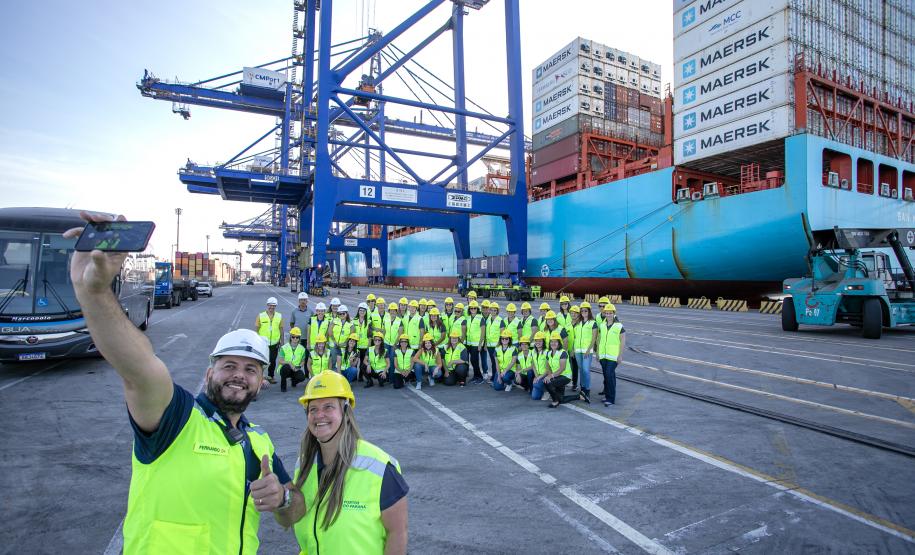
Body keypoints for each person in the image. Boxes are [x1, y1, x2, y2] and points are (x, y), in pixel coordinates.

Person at [64, 212, 290, 553]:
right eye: (229, 365)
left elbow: (292, 515)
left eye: (251, 370)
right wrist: (94, 293)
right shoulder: (176, 418)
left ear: (261, 383)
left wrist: (284, 497)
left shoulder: (260, 443)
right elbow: (138, 367)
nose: (239, 376)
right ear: (209, 372)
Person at [277, 372, 408, 553]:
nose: (319, 415)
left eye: (328, 407)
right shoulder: (305, 464)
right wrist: (280, 500)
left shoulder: (378, 468)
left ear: (346, 411)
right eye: (312, 409)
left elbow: (397, 533)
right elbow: (293, 519)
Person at [598, 303, 625, 406]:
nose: (608, 314)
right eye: (606, 313)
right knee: (607, 376)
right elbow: (600, 339)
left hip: (613, 356)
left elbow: (622, 341)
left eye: (610, 313)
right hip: (603, 356)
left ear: (614, 313)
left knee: (609, 375)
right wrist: (598, 354)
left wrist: (620, 355)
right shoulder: (602, 325)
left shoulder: (619, 326)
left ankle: (611, 399)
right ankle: (608, 396)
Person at [573, 301, 598, 404]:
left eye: (585, 310)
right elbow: (575, 337)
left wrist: (588, 350)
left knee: (586, 370)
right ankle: (582, 388)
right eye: (582, 310)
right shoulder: (577, 323)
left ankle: (587, 390)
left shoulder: (593, 323)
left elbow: (594, 338)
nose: (584, 312)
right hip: (578, 350)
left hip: (587, 351)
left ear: (589, 311)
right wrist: (574, 350)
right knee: (581, 370)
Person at [255, 296, 284, 383]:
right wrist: (256, 341)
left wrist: (282, 342)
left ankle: (271, 376)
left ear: (276, 306)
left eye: (273, 305)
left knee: (272, 360)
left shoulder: (279, 316)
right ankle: (260, 377)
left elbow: (281, 329)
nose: (271, 307)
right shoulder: (260, 316)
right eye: (270, 305)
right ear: (267, 305)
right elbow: (256, 329)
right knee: (261, 361)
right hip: (263, 343)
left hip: (274, 343)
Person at [543, 331, 574, 408]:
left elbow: (562, 368)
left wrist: (551, 376)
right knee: (561, 400)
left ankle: (555, 401)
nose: (553, 343)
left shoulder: (563, 353)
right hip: (557, 376)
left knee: (548, 382)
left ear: (559, 343)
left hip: (565, 376)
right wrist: (550, 375)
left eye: (555, 342)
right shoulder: (548, 353)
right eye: (551, 342)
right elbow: (548, 367)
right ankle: (579, 396)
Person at [278, 327, 308, 392]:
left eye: (297, 337)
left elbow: (303, 361)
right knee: (285, 367)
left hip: (295, 369)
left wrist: (299, 366)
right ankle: (283, 386)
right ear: (290, 337)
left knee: (302, 377)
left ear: (299, 338)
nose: (295, 339)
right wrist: (289, 363)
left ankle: (294, 381)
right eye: (293, 337)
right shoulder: (284, 347)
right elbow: (280, 361)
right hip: (286, 369)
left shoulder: (302, 349)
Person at [464, 300, 487, 384]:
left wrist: (481, 344)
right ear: (469, 309)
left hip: (476, 344)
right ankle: (475, 376)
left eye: (475, 308)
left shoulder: (480, 318)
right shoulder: (468, 318)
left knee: (474, 360)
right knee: (472, 361)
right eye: (471, 308)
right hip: (469, 343)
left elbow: (483, 332)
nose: (473, 309)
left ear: (477, 309)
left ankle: (479, 377)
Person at [484, 302, 504, 385]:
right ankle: (494, 377)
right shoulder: (488, 319)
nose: (493, 311)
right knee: (493, 362)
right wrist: (485, 343)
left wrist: (499, 345)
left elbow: (502, 334)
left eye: (495, 310)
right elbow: (486, 333)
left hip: (497, 345)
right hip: (489, 345)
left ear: (497, 311)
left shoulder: (500, 320)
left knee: (497, 363)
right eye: (491, 310)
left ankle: (496, 379)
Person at [353, 303, 373, 380]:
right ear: (358, 311)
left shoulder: (369, 322)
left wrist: (368, 347)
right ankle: (354, 377)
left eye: (363, 311)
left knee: (362, 362)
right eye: (360, 310)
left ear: (366, 312)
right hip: (356, 345)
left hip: (365, 346)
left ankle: (361, 376)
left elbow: (370, 336)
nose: (362, 312)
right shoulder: (354, 321)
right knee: (355, 361)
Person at [331, 304, 353, 373]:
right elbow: (330, 332)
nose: (341, 315)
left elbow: (351, 335)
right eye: (340, 314)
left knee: (341, 362)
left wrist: (345, 343)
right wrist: (334, 341)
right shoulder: (334, 321)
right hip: (334, 345)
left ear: (347, 313)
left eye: (343, 313)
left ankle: (341, 376)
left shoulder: (351, 323)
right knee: (333, 362)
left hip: (344, 346)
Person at [528, 331, 549, 401]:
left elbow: (548, 369)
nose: (538, 342)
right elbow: (533, 365)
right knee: (535, 397)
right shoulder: (533, 351)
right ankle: (541, 389)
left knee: (536, 384)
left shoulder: (547, 352)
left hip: (546, 375)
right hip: (539, 375)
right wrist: (536, 377)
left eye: (540, 341)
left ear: (543, 342)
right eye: (536, 341)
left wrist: (539, 377)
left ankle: (547, 391)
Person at [383, 302, 404, 370]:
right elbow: (384, 331)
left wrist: (395, 344)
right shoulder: (385, 319)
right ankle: (385, 375)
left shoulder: (399, 321)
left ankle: (391, 378)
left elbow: (400, 334)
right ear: (389, 311)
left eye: (394, 310)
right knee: (385, 359)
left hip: (394, 344)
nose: (392, 312)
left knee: (392, 360)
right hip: (386, 343)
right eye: (391, 310)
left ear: (396, 311)